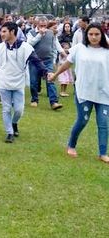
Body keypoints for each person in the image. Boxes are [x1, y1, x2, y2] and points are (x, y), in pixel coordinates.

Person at [49, 23, 109, 163]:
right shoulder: (80, 49)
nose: (94, 37)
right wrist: (55, 75)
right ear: (86, 35)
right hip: (84, 91)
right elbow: (67, 64)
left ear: (102, 35)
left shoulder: (107, 51)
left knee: (104, 123)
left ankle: (103, 153)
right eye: (91, 34)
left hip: (104, 93)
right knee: (83, 120)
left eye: (97, 34)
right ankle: (71, 145)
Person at [0, 22, 49, 143]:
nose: (1, 34)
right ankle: (9, 133)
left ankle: (14, 123)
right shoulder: (1, 47)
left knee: (19, 110)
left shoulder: (26, 47)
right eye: (1, 32)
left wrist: (46, 72)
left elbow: (36, 61)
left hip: (18, 83)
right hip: (3, 83)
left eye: (4, 31)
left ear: (12, 32)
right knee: (6, 109)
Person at [27, 17, 64, 110]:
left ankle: (54, 102)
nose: (43, 28)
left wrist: (56, 58)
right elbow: (29, 44)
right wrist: (39, 35)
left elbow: (55, 45)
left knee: (50, 80)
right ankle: (34, 100)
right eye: (41, 26)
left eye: (44, 26)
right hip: (34, 61)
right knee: (34, 82)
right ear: (37, 25)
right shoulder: (31, 33)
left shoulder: (51, 33)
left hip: (48, 60)